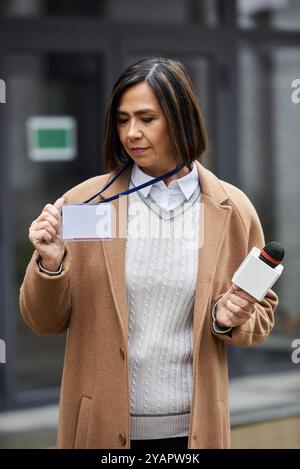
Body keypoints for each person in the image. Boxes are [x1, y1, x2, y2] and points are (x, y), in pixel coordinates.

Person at [19, 57, 278, 450]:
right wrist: (49, 264)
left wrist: (230, 320)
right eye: (123, 120)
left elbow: (260, 315)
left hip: (194, 432)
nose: (131, 133)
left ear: (181, 119)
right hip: (101, 427)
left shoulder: (233, 210)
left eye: (146, 118)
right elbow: (43, 321)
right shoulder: (86, 204)